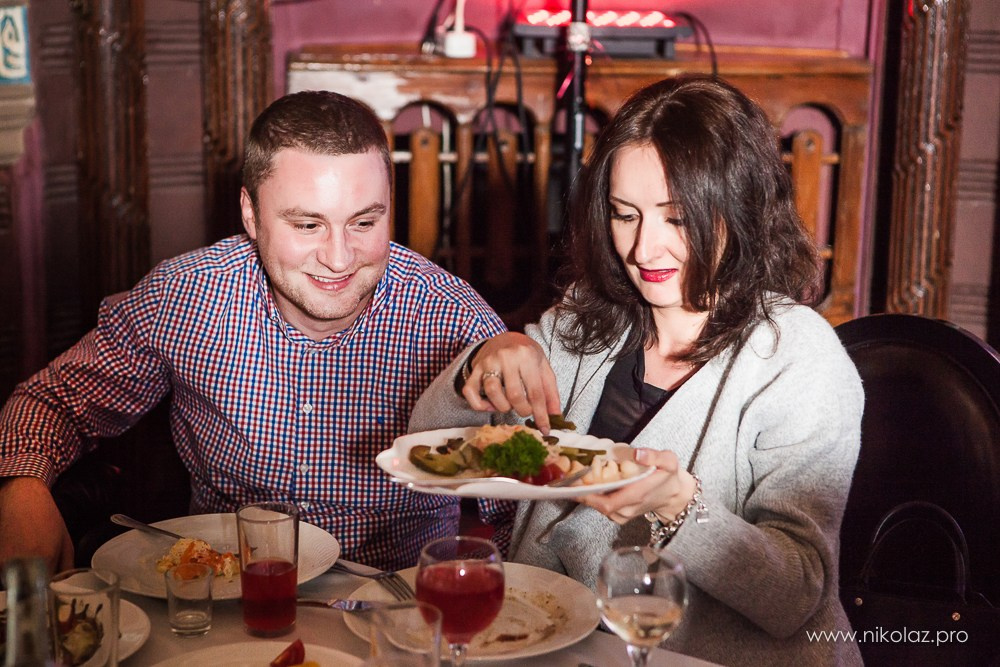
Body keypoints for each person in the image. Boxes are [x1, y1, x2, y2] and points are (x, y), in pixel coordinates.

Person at [409, 75, 863, 666]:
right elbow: (424, 439)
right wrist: (481, 364)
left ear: (742, 210)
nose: (644, 251)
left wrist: (681, 506)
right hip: (558, 644)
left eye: (676, 219)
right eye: (626, 216)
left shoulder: (798, 357)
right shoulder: (586, 320)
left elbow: (795, 594)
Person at [0, 90, 512, 573]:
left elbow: (528, 499)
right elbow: (55, 401)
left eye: (363, 223)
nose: (338, 258)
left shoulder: (457, 321)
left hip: (396, 610)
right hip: (226, 599)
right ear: (250, 213)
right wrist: (24, 490)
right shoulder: (185, 297)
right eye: (308, 225)